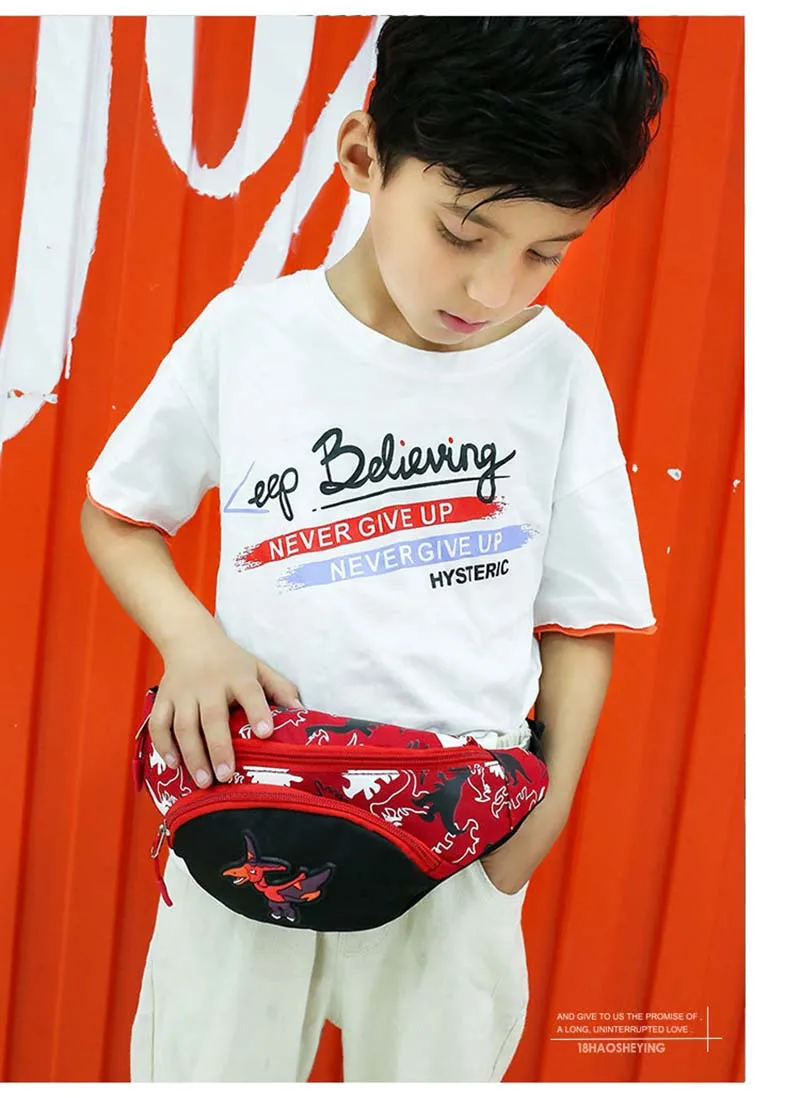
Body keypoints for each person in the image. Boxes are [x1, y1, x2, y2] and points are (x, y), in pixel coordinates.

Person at [81, 15, 666, 1083]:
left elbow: (579, 624)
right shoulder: (249, 335)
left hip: (457, 844)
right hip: (252, 807)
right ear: (362, 156)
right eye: (462, 232)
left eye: (545, 252)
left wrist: (528, 839)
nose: (493, 290)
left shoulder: (556, 374)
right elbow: (119, 512)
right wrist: (192, 642)